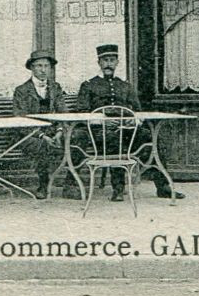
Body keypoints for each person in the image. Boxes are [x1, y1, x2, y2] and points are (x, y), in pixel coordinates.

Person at [75, 44, 184, 201]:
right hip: (100, 131)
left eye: (112, 60)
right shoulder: (88, 85)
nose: (108, 64)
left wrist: (133, 121)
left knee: (151, 139)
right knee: (113, 140)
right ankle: (118, 189)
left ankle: (163, 187)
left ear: (117, 62)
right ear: (99, 62)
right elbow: (82, 111)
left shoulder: (125, 85)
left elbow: (137, 110)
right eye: (105, 60)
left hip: (127, 129)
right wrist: (103, 121)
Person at [12, 49, 68, 199]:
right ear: (31, 68)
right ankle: (43, 185)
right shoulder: (22, 91)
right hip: (29, 135)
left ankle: (71, 183)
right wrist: (42, 135)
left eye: (46, 66)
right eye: (39, 66)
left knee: (75, 139)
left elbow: (63, 113)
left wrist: (60, 131)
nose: (43, 70)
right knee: (42, 145)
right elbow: (21, 119)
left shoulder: (55, 88)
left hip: (54, 133)